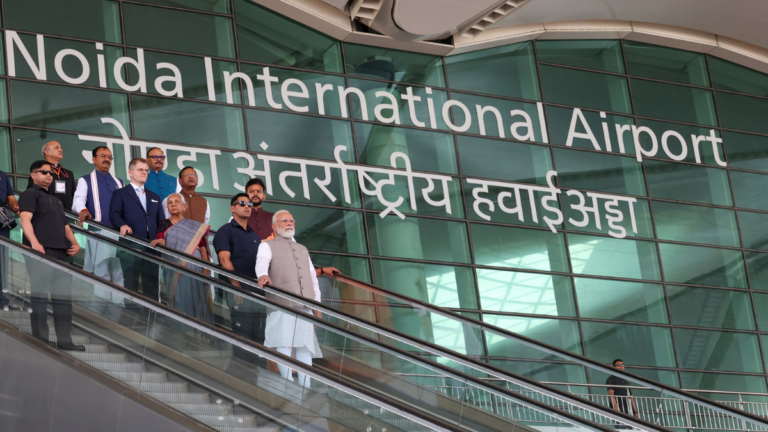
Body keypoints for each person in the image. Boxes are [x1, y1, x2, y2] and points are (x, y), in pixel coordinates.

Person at [19, 160, 84, 351]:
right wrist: (34, 242)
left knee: (63, 298)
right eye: (44, 172)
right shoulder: (29, 194)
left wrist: (75, 243)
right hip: (41, 251)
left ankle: (65, 340)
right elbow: (25, 219)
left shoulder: (55, 199)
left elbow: (65, 226)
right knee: (39, 296)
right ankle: (40, 338)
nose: (49, 175)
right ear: (33, 175)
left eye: (51, 173)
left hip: (61, 253)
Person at [256, 210, 322, 387]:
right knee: (283, 344)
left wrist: (318, 308)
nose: (289, 223)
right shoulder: (267, 245)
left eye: (291, 220)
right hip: (282, 303)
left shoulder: (302, 248)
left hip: (306, 304)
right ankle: (287, 386)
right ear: (274, 226)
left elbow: (312, 278)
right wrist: (262, 275)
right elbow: (261, 263)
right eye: (284, 221)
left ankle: (305, 387)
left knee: (305, 348)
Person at [213, 193, 265, 367]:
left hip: (256, 292)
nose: (247, 206)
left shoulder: (255, 236)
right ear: (232, 208)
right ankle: (240, 376)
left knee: (258, 335)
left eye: (249, 203)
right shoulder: (225, 230)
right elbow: (224, 260)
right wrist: (236, 286)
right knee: (242, 334)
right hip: (237, 291)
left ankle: (253, 377)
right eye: (242, 203)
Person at [109, 158, 165, 301]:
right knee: (131, 283)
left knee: (152, 286)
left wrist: (161, 238)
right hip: (130, 245)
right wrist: (122, 225)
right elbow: (113, 214)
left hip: (152, 248)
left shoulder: (155, 197)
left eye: (146, 170)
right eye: (140, 170)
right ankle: (132, 319)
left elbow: (161, 222)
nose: (144, 172)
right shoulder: (120, 193)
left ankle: (150, 319)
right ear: (130, 173)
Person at [151, 193, 212, 323]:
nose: (173, 204)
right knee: (179, 298)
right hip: (175, 268)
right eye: (170, 203)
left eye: (176, 202)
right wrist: (160, 241)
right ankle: (181, 329)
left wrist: (205, 270)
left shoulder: (194, 226)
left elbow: (202, 248)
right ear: (167, 208)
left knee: (198, 298)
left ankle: (199, 332)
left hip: (195, 268)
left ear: (184, 206)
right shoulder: (164, 224)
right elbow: (161, 237)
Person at [72, 146, 125, 290]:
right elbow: (78, 200)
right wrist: (82, 209)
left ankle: (117, 304)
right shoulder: (86, 180)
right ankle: (101, 305)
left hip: (119, 233)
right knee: (100, 269)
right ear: (94, 159)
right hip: (99, 231)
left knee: (118, 271)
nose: (107, 159)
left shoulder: (119, 182)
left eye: (109, 157)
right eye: (103, 156)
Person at [26, 141, 75, 210]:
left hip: (69, 215)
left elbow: (74, 196)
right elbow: (31, 194)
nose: (61, 150)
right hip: (48, 212)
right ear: (47, 152)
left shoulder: (68, 173)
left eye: (61, 148)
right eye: (56, 148)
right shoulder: (40, 173)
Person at [0, 169, 19, 308]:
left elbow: (10, 198)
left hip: (2, 225)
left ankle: (1, 299)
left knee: (2, 262)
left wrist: (16, 207)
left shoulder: (2, 175)